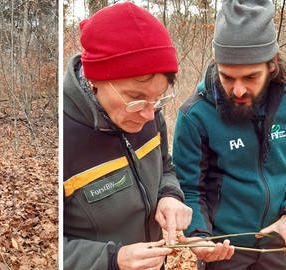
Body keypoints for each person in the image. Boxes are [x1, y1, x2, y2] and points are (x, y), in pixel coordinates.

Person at [63, 3, 200, 269]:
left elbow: (165, 166)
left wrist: (170, 195)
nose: (149, 114)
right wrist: (112, 260)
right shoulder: (66, 138)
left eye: (157, 99)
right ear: (96, 80)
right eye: (136, 99)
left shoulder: (148, 113)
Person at [173, 0, 286, 269]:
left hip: (274, 238)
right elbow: (190, 188)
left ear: (272, 64)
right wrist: (198, 236)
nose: (238, 90)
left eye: (250, 77)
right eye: (227, 77)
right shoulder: (195, 115)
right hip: (223, 247)